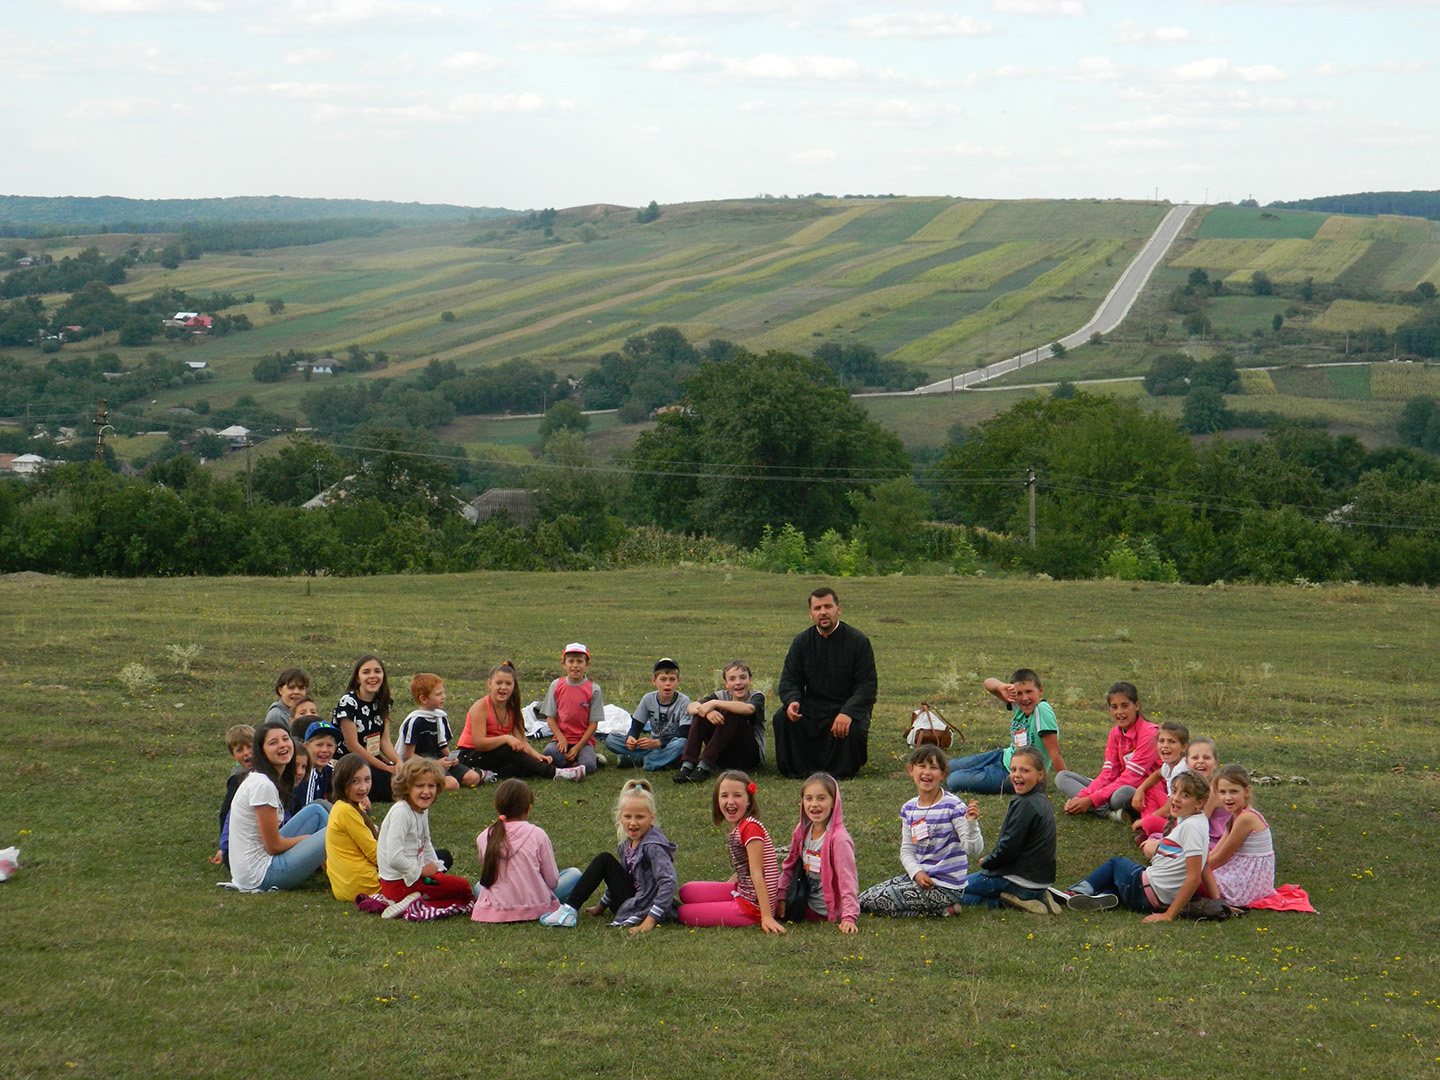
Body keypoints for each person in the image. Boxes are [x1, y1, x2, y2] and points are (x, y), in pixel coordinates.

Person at [1067, 771, 1219, 922]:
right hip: (1153, 896)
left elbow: (1194, 878)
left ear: (1199, 802)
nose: (1176, 798)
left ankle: (1075, 892)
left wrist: (1168, 915)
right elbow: (1204, 865)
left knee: (1116, 863)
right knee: (1122, 880)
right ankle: (1104, 897)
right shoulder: (1197, 821)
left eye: (1185, 795)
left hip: (1145, 893)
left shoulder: (1191, 826)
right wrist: (1218, 902)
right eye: (1174, 791)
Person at [860, 745, 983, 917]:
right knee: (864, 897)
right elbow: (906, 850)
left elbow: (974, 850)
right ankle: (941, 910)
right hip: (919, 879)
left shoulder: (954, 806)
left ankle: (942, 909)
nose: (927, 772)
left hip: (945, 887)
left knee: (877, 902)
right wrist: (916, 872)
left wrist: (971, 824)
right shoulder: (909, 808)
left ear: (943, 774)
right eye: (921, 766)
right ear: (910, 770)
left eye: (933, 767)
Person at [773, 588, 877, 780]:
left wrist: (848, 713)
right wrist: (792, 701)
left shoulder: (858, 641)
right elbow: (789, 680)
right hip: (813, 705)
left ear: (838, 609)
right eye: (817, 608)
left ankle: (839, 771)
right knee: (782, 717)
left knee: (851, 728)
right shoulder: (802, 642)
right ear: (811, 614)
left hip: (845, 706)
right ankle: (798, 769)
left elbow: (867, 686)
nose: (823, 612)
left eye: (828, 606)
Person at [554, 779, 678, 933]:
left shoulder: (653, 846)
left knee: (604, 859)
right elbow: (622, 876)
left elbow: (669, 882)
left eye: (639, 817)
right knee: (605, 861)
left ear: (651, 818)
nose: (633, 823)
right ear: (620, 817)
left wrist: (650, 920)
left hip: (645, 905)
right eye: (628, 816)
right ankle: (570, 908)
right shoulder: (628, 842)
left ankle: (568, 910)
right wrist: (602, 906)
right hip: (629, 901)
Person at [224, 720, 330, 892]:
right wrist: (309, 839)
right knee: (336, 828)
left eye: (285, 739)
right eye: (273, 743)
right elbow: (274, 846)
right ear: (262, 752)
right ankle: (358, 867)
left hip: (259, 865)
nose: (282, 745)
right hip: (260, 875)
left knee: (316, 811)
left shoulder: (263, 778)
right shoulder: (262, 785)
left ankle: (341, 867)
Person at [677, 771, 784, 933]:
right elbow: (744, 869)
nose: (730, 802)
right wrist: (722, 893)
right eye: (724, 796)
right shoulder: (739, 826)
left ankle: (756, 913)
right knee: (686, 891)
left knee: (683, 913)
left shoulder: (750, 828)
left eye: (737, 796)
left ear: (749, 801)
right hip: (743, 891)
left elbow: (757, 873)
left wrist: (767, 916)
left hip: (753, 907)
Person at [959, 746, 1060, 914]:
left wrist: (988, 862)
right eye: (1013, 769)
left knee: (953, 891)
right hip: (1040, 882)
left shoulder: (1024, 804)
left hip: (1018, 881)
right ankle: (1038, 898)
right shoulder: (1041, 799)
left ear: (1040, 775)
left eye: (1025, 770)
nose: (1017, 775)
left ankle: (1009, 902)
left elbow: (1008, 847)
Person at [375, 757, 473, 919]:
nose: (426, 792)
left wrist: (437, 869)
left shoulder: (421, 809)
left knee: (454, 883)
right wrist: (421, 871)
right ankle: (413, 904)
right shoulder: (401, 812)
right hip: (399, 883)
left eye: (431, 786)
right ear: (406, 788)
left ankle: (418, 900)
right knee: (464, 889)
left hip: (413, 876)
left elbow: (425, 843)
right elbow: (394, 858)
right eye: (419, 786)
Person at [456, 662, 585, 782]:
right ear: (489, 684)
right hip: (470, 756)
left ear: (514, 686)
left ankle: (490, 774)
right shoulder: (480, 707)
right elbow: (479, 743)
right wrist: (506, 738)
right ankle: (557, 774)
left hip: (495, 755)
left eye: (508, 684)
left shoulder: (512, 709)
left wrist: (537, 756)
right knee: (509, 749)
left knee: (520, 765)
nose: (503, 688)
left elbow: (522, 741)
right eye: (498, 683)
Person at [471, 780, 576, 925]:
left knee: (479, 887)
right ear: (528, 808)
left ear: (497, 807)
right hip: (535, 905)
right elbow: (552, 881)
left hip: (498, 907)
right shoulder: (538, 834)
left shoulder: (484, 836)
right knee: (574, 874)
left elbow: (489, 876)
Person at [947, 668, 1064, 795]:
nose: (1024, 698)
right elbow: (988, 683)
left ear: (1040, 690)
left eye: (1029, 691)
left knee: (954, 780)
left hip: (1015, 773)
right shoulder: (1020, 706)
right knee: (946, 767)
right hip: (1003, 757)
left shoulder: (1041, 710)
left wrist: (1067, 783)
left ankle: (984, 773)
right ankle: (982, 771)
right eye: (1019, 693)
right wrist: (1002, 687)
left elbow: (1055, 753)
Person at [1056, 681, 1157, 821]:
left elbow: (1131, 778)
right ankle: (1109, 813)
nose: (1119, 712)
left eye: (1125, 706)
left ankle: (1103, 809)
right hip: (1115, 785)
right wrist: (1081, 797)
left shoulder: (1149, 734)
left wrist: (1090, 800)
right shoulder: (1115, 733)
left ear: (1136, 706)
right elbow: (1108, 774)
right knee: (1062, 777)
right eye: (1114, 707)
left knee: (1120, 794)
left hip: (1139, 790)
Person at [777, 773, 859, 932]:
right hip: (802, 898)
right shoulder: (802, 830)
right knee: (760, 899)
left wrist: (849, 917)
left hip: (821, 910)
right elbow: (789, 866)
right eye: (809, 798)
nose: (814, 804)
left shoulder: (839, 839)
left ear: (834, 802)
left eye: (821, 798)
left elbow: (848, 880)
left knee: (757, 908)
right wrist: (781, 898)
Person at [674, 660, 765, 784]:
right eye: (732, 679)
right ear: (726, 684)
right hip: (721, 754)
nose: (738, 682)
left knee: (733, 712)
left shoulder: (756, 696)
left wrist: (713, 704)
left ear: (750, 680)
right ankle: (687, 765)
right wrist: (707, 711)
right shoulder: (721, 695)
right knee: (700, 714)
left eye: (742, 678)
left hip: (747, 756)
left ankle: (704, 765)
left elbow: (749, 709)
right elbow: (691, 707)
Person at [398, 673, 483, 790]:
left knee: (473, 778)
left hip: (440, 761)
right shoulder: (415, 721)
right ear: (423, 699)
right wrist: (435, 764)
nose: (443, 697)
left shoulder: (440, 717)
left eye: (443, 693)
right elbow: (409, 755)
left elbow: (442, 745)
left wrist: (451, 758)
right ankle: (426, 783)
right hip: (421, 766)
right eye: (438, 694)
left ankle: (440, 780)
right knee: (452, 784)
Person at [333, 654, 398, 803]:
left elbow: (384, 741)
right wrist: (386, 768)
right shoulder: (348, 703)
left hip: (373, 757)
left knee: (404, 777)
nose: (373, 676)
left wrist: (397, 762)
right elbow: (352, 746)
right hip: (349, 761)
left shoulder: (383, 702)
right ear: (357, 678)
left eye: (377, 671)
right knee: (396, 786)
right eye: (366, 672)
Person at [1207, 765, 1275, 907]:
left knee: (1190, 883)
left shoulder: (1246, 818)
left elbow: (1220, 859)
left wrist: (1191, 870)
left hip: (1248, 883)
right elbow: (1215, 852)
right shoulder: (1234, 817)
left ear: (1246, 791)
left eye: (1233, 792)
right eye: (1222, 792)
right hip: (1239, 873)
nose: (1228, 797)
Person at [607, 658, 691, 771]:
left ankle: (644, 761)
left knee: (682, 743)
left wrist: (658, 742)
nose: (667, 684)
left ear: (678, 681)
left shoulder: (684, 701)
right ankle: (659, 760)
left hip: (670, 745)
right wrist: (631, 738)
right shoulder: (648, 699)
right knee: (611, 740)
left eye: (672, 679)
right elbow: (636, 725)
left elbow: (684, 733)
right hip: (651, 746)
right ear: (654, 681)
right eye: (663, 679)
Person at [540, 642, 605, 776]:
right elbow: (550, 718)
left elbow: (593, 724)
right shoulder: (556, 685)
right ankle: (575, 765)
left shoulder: (594, 689)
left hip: (583, 742)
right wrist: (561, 739)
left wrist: (578, 747)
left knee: (589, 766)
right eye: (571, 661)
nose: (575, 665)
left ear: (587, 665)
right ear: (563, 664)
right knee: (549, 754)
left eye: (580, 661)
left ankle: (584, 759)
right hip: (561, 740)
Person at [325, 755, 381, 904]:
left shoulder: (343, 807)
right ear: (342, 782)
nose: (363, 787)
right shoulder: (346, 811)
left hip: (346, 886)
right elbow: (374, 853)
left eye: (367, 779)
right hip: (365, 885)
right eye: (355, 781)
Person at [1131, 721, 1190, 841]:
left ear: (1183, 747)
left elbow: (1170, 807)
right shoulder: (1169, 765)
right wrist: (1140, 789)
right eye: (1161, 741)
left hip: (1183, 820)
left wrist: (1146, 820)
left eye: (1172, 742)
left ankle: (1152, 829)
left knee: (1149, 822)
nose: (1165, 745)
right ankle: (1151, 828)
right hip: (1173, 812)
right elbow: (1157, 775)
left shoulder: (1181, 770)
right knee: (1150, 789)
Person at [209, 724, 254, 868]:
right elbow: (225, 813)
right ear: (233, 756)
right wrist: (224, 848)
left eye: (250, 746)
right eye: (240, 750)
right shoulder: (237, 778)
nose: (247, 753)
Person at [294, 719, 340, 810]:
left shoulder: (329, 770)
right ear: (306, 746)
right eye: (319, 745)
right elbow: (308, 810)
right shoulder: (308, 773)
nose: (324, 750)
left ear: (335, 748)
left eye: (329, 745)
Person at [268, 667, 310, 732]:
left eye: (301, 688)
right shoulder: (277, 716)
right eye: (291, 688)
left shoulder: (308, 712)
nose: (296, 692)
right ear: (280, 690)